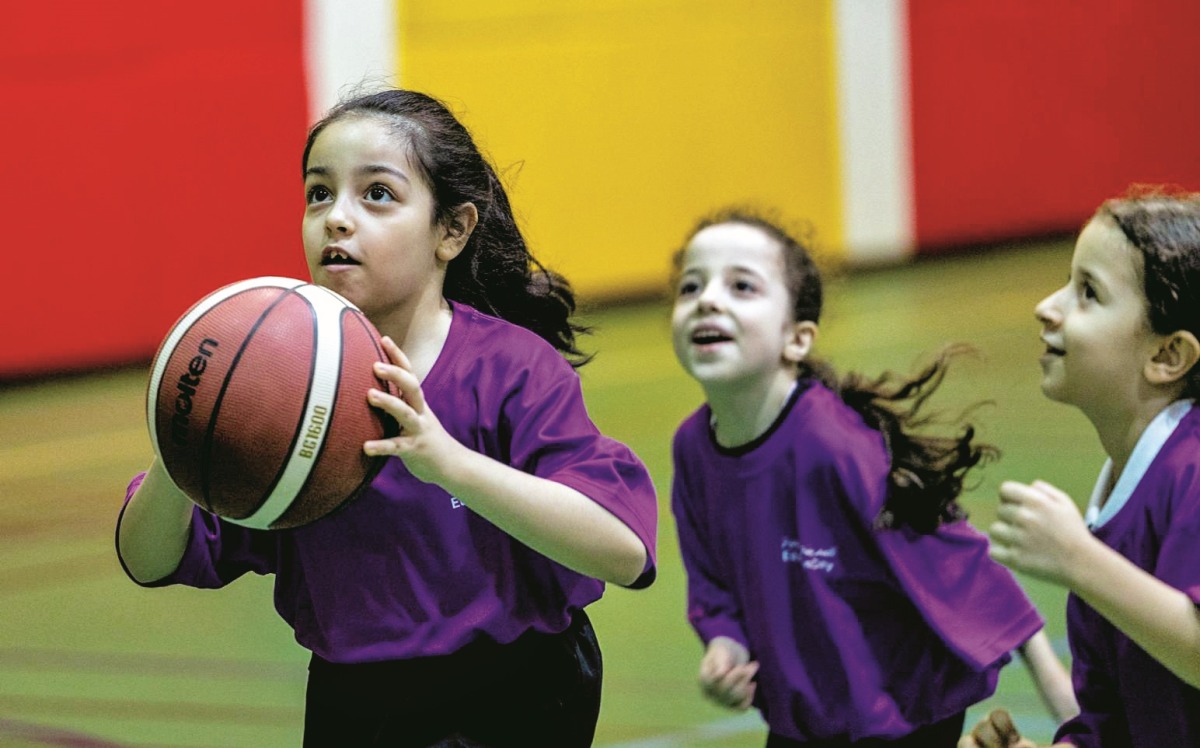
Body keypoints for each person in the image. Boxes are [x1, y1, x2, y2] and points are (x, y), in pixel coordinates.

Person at [115, 88, 658, 748]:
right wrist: (181, 441)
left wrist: (450, 464)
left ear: (451, 230)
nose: (337, 219)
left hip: (519, 693)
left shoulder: (512, 369)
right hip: (355, 701)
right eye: (319, 194)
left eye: (376, 194)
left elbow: (625, 552)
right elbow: (148, 560)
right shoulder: (281, 398)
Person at [668, 208, 1076, 747]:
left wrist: (1071, 713)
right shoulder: (692, 448)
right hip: (806, 719)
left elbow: (960, 569)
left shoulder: (836, 446)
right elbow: (712, 583)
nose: (708, 300)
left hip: (901, 715)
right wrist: (726, 646)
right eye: (691, 286)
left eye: (741, 286)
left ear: (797, 339)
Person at [959, 187, 1200, 747]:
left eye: (1088, 292)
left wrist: (1078, 560)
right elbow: (1112, 726)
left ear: (1167, 355)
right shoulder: (1116, 497)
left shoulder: (1191, 470)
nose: (1047, 306)